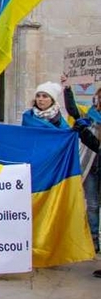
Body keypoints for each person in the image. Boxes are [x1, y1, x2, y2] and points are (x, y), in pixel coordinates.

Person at [62, 76, 101, 254]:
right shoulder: (91, 116)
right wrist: (67, 89)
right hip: (91, 165)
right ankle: (94, 241)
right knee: (92, 205)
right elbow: (73, 111)